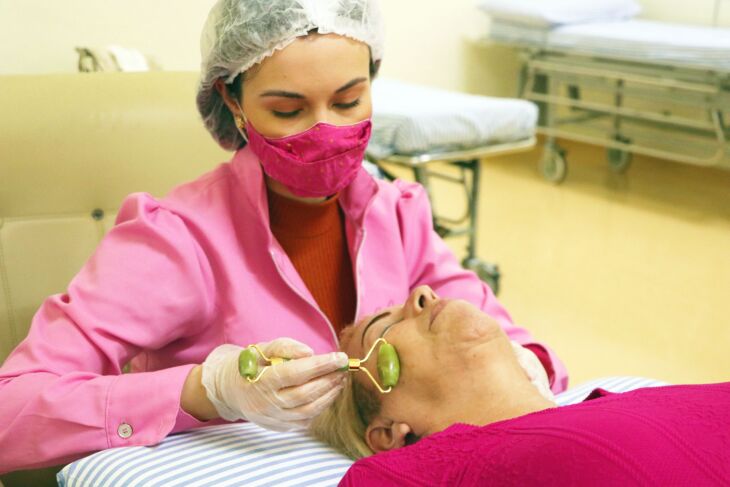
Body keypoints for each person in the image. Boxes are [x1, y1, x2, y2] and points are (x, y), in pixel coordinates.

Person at [0, 0, 566, 475]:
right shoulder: (177, 242)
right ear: (233, 101)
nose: (327, 130)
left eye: (348, 100)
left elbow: (529, 354)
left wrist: (522, 367)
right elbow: (11, 411)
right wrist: (206, 390)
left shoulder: (397, 213)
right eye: (288, 109)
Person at [310, 286, 730, 486]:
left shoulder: (626, 399)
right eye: (386, 325)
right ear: (389, 432)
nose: (422, 293)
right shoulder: (397, 477)